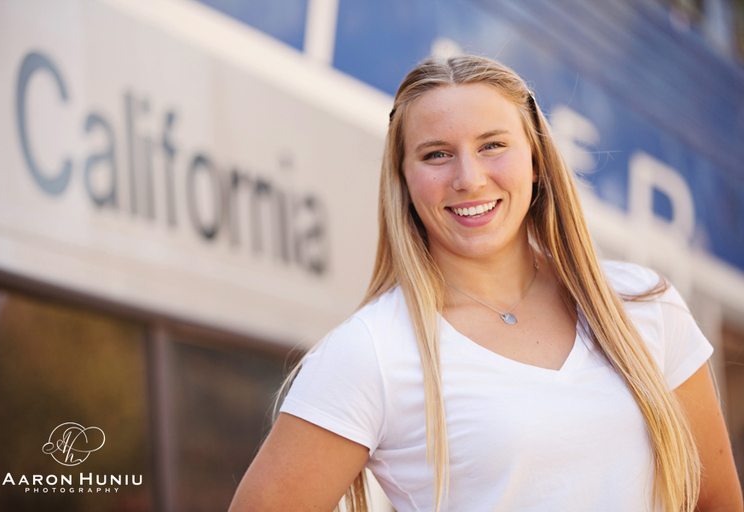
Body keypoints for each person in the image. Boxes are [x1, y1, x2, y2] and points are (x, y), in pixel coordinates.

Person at [228, 55, 743, 512]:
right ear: (404, 181)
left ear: (537, 161)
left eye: (493, 145)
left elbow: (716, 503)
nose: (469, 178)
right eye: (435, 154)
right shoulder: (371, 352)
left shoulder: (643, 304)